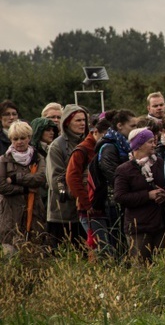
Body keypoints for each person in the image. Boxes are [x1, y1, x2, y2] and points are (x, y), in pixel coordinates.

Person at [114, 128, 165, 262]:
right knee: (141, 268)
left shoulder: (160, 163)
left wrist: (164, 193)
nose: (154, 145)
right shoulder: (124, 170)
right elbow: (120, 197)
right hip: (138, 228)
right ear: (139, 145)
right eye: (150, 142)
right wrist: (147, 195)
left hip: (160, 224)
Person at [88, 109, 137, 256]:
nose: (135, 130)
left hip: (120, 198)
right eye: (132, 126)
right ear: (120, 126)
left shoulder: (123, 144)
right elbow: (112, 173)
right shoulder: (109, 146)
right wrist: (130, 185)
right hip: (112, 200)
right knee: (117, 241)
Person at [0, 121, 47, 253]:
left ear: (29, 138)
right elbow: (2, 186)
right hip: (10, 213)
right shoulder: (4, 160)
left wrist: (15, 178)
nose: (19, 142)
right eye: (15, 139)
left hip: (34, 211)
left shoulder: (38, 158)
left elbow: (40, 178)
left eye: (23, 138)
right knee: (10, 251)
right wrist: (24, 189)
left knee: (35, 250)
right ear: (11, 140)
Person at [46, 104, 88, 247]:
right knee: (63, 256)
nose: (82, 123)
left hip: (86, 210)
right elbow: (55, 178)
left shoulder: (88, 143)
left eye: (84, 120)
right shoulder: (57, 146)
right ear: (67, 122)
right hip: (62, 212)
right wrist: (77, 193)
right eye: (78, 120)